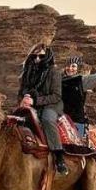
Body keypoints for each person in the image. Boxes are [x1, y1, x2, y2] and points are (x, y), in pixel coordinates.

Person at [16, 43, 69, 175]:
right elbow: (22, 90)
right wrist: (24, 98)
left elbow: (56, 96)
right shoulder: (27, 72)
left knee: (47, 120)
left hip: (50, 105)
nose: (37, 59)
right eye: (35, 56)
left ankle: (59, 157)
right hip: (30, 103)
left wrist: (35, 101)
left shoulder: (54, 72)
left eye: (41, 56)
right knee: (13, 121)